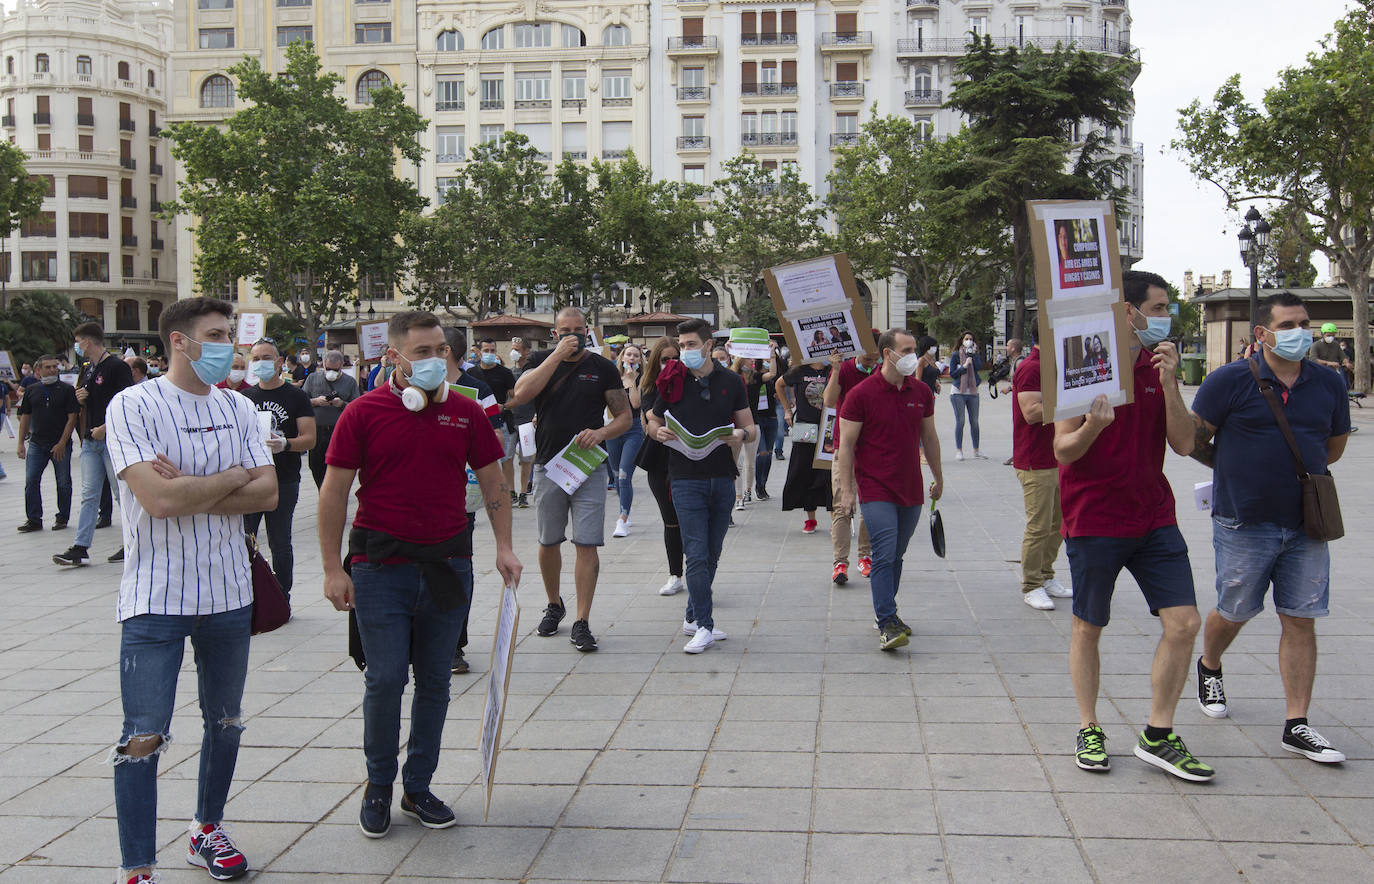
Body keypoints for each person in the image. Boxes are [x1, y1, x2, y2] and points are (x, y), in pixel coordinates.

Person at [318, 310, 521, 840]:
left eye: (443, 352)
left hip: (448, 564)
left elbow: (494, 482)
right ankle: (379, 784)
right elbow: (334, 492)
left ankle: (419, 785)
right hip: (379, 567)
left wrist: (504, 546)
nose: (437, 361)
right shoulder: (362, 413)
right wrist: (331, 569)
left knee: (435, 681)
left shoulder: (466, 411)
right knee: (385, 680)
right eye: (424, 352)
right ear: (394, 357)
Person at [105, 296, 278, 884]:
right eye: (217, 334)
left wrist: (198, 486)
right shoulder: (134, 404)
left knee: (226, 721)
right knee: (143, 735)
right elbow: (158, 500)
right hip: (155, 596)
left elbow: (269, 494)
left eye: (228, 334)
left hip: (230, 593)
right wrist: (233, 478)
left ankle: (206, 828)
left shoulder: (238, 407)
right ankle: (137, 866)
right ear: (179, 341)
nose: (228, 345)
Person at [1055, 269, 1215, 782]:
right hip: (1095, 517)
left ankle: (1158, 734)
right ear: (1129, 311)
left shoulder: (1156, 367)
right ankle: (1089, 726)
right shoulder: (1081, 363)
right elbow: (1063, 449)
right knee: (1089, 626)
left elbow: (1186, 444)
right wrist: (1092, 427)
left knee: (1186, 623)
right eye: (1161, 306)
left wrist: (1171, 385)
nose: (1167, 316)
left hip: (1154, 517)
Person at [1191, 292, 1350, 763]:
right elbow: (1197, 439)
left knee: (1301, 617)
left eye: (1304, 322)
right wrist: (1234, 467)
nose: (1299, 332)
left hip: (1307, 522)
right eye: (1287, 324)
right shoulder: (1228, 381)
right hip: (1244, 518)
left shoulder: (1328, 383)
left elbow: (1334, 446)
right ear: (1262, 334)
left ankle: (1296, 723)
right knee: (1235, 609)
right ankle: (1210, 664)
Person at [507, 307, 630, 652]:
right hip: (549, 466)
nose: (572, 336)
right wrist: (556, 357)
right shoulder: (542, 360)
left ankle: (582, 620)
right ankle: (554, 604)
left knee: (587, 542)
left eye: (578, 330)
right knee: (548, 542)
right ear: (555, 333)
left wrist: (602, 432)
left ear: (588, 331)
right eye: (565, 331)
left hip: (587, 465)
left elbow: (624, 416)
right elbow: (521, 394)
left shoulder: (602, 367)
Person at [647, 318, 754, 653]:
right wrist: (656, 431)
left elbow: (751, 427)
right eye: (682, 345)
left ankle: (693, 616)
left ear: (709, 345)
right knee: (695, 553)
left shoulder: (731, 381)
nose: (685, 351)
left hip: (722, 476)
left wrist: (740, 434)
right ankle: (705, 625)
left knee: (712, 552)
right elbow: (652, 417)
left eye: (691, 344)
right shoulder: (672, 378)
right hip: (683, 477)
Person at [835, 329, 942, 651]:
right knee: (883, 551)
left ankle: (887, 612)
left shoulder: (921, 392)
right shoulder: (861, 394)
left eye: (915, 349)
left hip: (911, 486)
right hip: (875, 486)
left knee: (897, 554)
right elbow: (846, 446)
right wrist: (847, 490)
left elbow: (930, 437)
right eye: (907, 350)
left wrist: (939, 476)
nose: (915, 355)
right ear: (887, 354)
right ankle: (887, 621)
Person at [442, 327, 504, 674]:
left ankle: (454, 643)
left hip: (461, 494)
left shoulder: (478, 390)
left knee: (457, 565)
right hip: (418, 493)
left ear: (446, 350)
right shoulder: (413, 390)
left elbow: (495, 438)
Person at [54, 322, 135, 567]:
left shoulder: (117, 367)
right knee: (89, 495)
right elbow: (87, 397)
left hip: (111, 440)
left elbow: (126, 403)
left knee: (122, 494)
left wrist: (106, 428)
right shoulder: (88, 367)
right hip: (90, 440)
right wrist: (81, 397)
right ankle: (80, 547)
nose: (77, 346)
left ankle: (134, 538)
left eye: (79, 341)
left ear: (87, 341)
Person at [242, 338, 316, 599]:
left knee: (280, 541)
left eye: (266, 357)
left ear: (279, 361)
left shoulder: (295, 396)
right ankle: (248, 594)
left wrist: (284, 444)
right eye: (255, 358)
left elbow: (309, 438)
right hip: (249, 481)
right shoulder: (245, 398)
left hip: (283, 479)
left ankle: (282, 594)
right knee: (244, 539)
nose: (260, 363)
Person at [1012, 342, 1072, 610]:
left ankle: (1046, 575)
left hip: (1059, 458)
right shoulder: (1031, 368)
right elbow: (1032, 412)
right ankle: (1031, 584)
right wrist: (1072, 399)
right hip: (1035, 460)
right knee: (1039, 525)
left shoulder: (1059, 366)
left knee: (1058, 524)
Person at [822, 345, 877, 584]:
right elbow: (829, 401)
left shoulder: (882, 371)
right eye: (868, 353)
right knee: (842, 505)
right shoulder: (844, 368)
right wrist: (835, 370)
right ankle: (839, 563)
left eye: (876, 354)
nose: (871, 358)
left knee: (870, 506)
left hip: (874, 448)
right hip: (843, 446)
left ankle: (865, 556)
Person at [636, 337, 686, 596]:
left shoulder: (693, 383)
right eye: (665, 359)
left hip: (689, 456)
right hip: (659, 458)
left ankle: (699, 573)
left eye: (675, 358)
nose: (671, 364)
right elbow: (651, 418)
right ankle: (675, 574)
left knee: (692, 519)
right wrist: (666, 386)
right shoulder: (648, 387)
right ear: (657, 361)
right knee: (671, 520)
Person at [15, 355, 77, 533]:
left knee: (63, 482)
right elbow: (25, 417)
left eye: (54, 367)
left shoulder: (66, 390)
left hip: (60, 444)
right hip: (37, 444)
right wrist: (20, 443)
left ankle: (62, 517)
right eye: (48, 367)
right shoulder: (31, 390)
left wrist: (62, 443)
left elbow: (72, 417)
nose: (52, 370)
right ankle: (34, 519)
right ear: (38, 371)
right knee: (31, 481)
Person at [777, 357, 832, 534]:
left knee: (830, 472)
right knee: (804, 469)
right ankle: (811, 519)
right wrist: (787, 410)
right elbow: (779, 384)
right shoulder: (800, 370)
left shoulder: (833, 368)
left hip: (829, 426)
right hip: (805, 427)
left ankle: (835, 519)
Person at [302, 350, 360, 489]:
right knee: (315, 465)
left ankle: (331, 492)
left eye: (335, 369)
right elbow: (302, 401)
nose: (331, 372)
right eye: (328, 369)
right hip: (317, 429)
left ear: (341, 367)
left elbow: (356, 407)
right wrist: (315, 401)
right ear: (323, 365)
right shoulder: (312, 378)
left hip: (338, 430)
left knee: (336, 464)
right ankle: (322, 491)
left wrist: (341, 404)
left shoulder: (349, 382)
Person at [604, 344, 645, 536]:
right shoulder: (613, 379)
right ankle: (625, 511)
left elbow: (636, 404)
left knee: (624, 475)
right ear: (622, 357)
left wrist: (632, 381)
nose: (632, 358)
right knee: (615, 473)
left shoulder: (642, 379)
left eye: (636, 355)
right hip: (613, 428)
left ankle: (622, 518)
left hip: (634, 430)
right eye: (629, 354)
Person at [474, 338, 519, 502]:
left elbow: (517, 397)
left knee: (506, 458)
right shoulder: (471, 373)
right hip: (477, 423)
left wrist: (505, 406)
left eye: (492, 351)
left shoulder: (505, 373)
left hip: (501, 421)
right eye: (486, 351)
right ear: (479, 352)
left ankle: (510, 492)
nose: (490, 354)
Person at [730, 357, 766, 510]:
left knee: (750, 462)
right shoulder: (731, 378)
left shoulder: (756, 377)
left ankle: (748, 491)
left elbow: (773, 375)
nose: (751, 361)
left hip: (753, 423)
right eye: (747, 359)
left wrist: (770, 355)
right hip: (736, 426)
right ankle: (738, 497)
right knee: (736, 464)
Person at [506, 337, 536, 505]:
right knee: (507, 457)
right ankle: (511, 491)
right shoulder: (508, 373)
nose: (514, 352)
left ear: (526, 351)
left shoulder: (533, 373)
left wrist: (536, 415)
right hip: (510, 421)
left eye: (517, 349)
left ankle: (523, 492)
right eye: (513, 348)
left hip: (527, 421)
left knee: (526, 460)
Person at [949, 330, 985, 460]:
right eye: (966, 338)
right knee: (961, 421)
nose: (969, 341)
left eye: (971, 339)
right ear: (962, 340)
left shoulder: (975, 354)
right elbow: (952, 373)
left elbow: (979, 367)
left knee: (974, 422)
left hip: (973, 391)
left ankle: (976, 450)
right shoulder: (955, 355)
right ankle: (959, 450)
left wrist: (974, 355)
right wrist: (964, 366)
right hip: (958, 391)